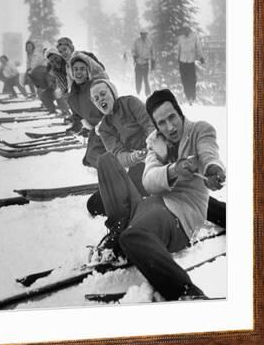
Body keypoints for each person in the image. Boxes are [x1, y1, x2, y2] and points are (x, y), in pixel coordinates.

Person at [96, 88, 226, 300]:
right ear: (155, 125)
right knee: (106, 161)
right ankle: (118, 229)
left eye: (172, 117)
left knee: (133, 237)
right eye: (161, 123)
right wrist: (173, 169)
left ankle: (186, 292)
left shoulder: (200, 130)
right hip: (149, 204)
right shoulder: (155, 142)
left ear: (179, 112)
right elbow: (148, 181)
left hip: (178, 215)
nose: (170, 127)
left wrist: (212, 169)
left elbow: (208, 153)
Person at [87, 79, 155, 216]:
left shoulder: (130, 103)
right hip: (138, 164)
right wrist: (133, 157)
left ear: (112, 93)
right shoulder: (105, 128)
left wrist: (151, 147)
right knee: (96, 203)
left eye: (103, 94)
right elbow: (118, 154)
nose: (101, 99)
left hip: (158, 152)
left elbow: (149, 124)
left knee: (162, 184)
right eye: (96, 98)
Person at [67, 52, 108, 168]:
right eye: (75, 69)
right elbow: (77, 114)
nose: (78, 72)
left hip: (109, 130)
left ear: (88, 72)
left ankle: (116, 176)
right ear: (71, 72)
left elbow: (110, 109)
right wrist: (77, 124)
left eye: (82, 69)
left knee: (96, 157)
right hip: (96, 132)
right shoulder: (72, 96)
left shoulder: (96, 88)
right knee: (90, 159)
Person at [177, 25, 205, 104]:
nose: (185, 32)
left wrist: (201, 57)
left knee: (192, 80)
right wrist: (178, 58)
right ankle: (188, 97)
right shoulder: (180, 38)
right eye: (184, 30)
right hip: (182, 61)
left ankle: (192, 96)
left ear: (189, 31)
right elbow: (178, 49)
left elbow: (198, 47)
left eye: (186, 30)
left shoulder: (194, 37)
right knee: (184, 80)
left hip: (190, 61)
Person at [131, 30, 155, 97]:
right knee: (138, 79)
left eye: (144, 34)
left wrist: (153, 61)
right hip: (138, 63)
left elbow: (153, 52)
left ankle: (148, 94)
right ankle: (138, 93)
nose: (143, 35)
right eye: (142, 34)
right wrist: (135, 56)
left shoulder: (149, 42)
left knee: (146, 79)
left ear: (146, 34)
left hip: (145, 63)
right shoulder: (137, 41)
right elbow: (133, 50)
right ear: (140, 34)